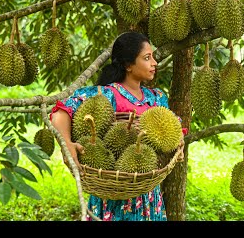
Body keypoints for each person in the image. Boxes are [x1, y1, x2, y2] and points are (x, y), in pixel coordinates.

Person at [50, 31, 187, 221]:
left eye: (153, 57)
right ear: (128, 65)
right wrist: (67, 145)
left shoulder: (157, 98)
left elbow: (173, 129)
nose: (154, 63)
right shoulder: (105, 95)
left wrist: (178, 141)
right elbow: (60, 112)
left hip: (147, 196)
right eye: (147, 58)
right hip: (110, 195)